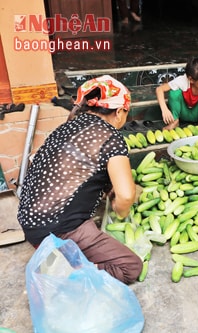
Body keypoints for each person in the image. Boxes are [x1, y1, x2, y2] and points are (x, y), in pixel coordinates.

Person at [17, 75, 143, 285]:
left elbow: (83, 173)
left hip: (30, 224)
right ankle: (65, 272)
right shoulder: (110, 137)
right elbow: (126, 195)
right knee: (130, 267)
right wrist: (122, 212)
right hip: (57, 230)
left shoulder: (66, 128)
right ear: (120, 111)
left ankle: (56, 255)